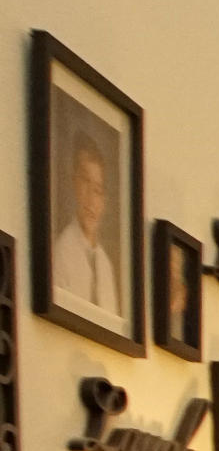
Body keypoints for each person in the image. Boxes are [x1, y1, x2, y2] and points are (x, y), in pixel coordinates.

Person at [54, 129, 124, 320]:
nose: (91, 200)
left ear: (105, 201)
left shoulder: (105, 264)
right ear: (74, 183)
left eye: (98, 190)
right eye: (85, 183)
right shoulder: (62, 252)